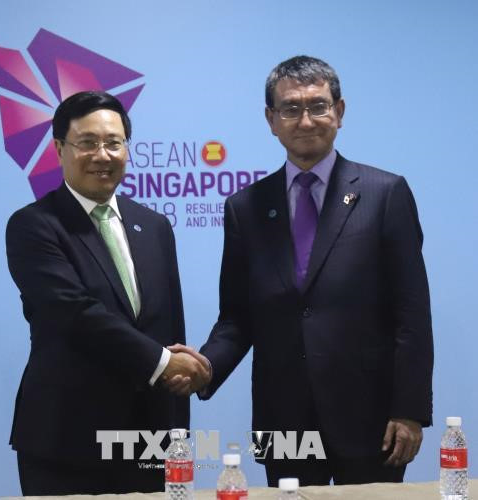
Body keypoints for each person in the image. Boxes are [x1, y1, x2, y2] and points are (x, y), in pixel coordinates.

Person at [169, 55, 433, 486]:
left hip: (372, 417)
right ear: (271, 120)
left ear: (339, 112)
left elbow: (412, 314)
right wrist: (207, 366)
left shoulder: (386, 194)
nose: (305, 120)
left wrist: (409, 410)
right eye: (291, 108)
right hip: (283, 419)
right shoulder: (245, 208)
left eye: (318, 106)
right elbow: (237, 316)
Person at [5, 90, 210, 495]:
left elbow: (169, 324)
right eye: (88, 143)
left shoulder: (153, 225)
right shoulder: (34, 225)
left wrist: (178, 428)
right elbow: (74, 313)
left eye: (114, 143)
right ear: (60, 149)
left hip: (150, 438)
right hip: (66, 439)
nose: (102, 155)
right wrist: (165, 363)